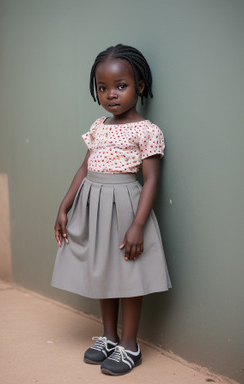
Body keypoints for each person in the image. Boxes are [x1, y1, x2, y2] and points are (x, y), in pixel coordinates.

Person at [51, 44, 171, 376]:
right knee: (103, 272)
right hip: (94, 208)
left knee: (129, 276)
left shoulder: (147, 131)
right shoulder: (99, 125)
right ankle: (109, 336)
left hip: (126, 210)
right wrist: (65, 206)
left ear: (140, 86)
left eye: (121, 86)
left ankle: (130, 346)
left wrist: (138, 225)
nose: (111, 95)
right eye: (103, 88)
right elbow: (83, 168)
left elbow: (150, 181)